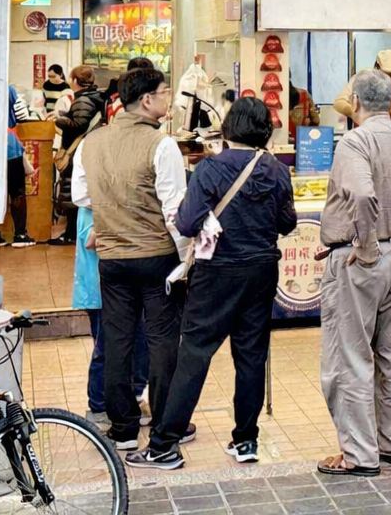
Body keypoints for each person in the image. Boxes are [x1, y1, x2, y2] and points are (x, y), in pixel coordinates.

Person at [127, 98, 298, 470]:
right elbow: (287, 224)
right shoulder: (276, 170)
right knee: (251, 356)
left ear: (230, 127)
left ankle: (164, 445)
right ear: (265, 131)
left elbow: (188, 223)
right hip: (261, 270)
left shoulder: (210, 168)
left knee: (195, 353)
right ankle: (246, 439)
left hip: (217, 271)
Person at [317, 70, 391, 477]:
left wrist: (365, 246)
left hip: (363, 261)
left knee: (350, 358)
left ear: (356, 102)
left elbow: (363, 195)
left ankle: (359, 454)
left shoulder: (355, 141)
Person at [72, 66, 190, 451]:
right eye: (165, 92)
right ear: (147, 99)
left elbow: (80, 196)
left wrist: (113, 207)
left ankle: (122, 427)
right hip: (157, 256)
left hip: (112, 257)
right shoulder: (161, 144)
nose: (169, 98)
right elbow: (175, 210)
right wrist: (186, 259)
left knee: (117, 339)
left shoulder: (92, 142)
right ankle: (165, 425)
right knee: (162, 341)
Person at [72, 184, 149, 431]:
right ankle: (98, 406)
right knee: (105, 348)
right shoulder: (88, 205)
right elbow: (91, 240)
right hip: (99, 291)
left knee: (136, 342)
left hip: (121, 288)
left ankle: (134, 398)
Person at [51, 66, 105, 247]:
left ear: (75, 81)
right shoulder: (94, 97)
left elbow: (79, 123)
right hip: (86, 149)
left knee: (73, 191)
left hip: (77, 151)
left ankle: (71, 234)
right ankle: (71, 233)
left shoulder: (83, 99)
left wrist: (59, 119)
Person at [0, 85, 35, 248]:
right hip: (10, 147)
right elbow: (22, 115)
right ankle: (20, 235)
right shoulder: (8, 88)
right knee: (17, 192)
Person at [333, 50, 391, 127]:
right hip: (363, 131)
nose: (389, 79)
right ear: (377, 67)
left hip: (387, 131)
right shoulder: (362, 80)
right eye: (386, 74)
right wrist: (354, 114)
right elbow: (339, 102)